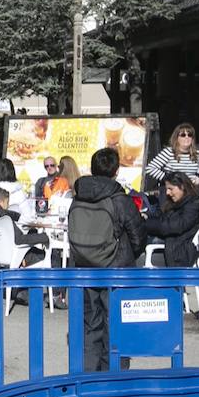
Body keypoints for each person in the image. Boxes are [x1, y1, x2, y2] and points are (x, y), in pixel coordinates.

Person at [69, 147, 146, 372]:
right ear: (116, 169)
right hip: (115, 269)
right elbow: (138, 235)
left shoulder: (78, 196)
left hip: (85, 267)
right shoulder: (119, 199)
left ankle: (88, 379)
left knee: (91, 324)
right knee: (115, 325)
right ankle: (112, 380)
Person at [143, 173, 199, 268]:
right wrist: (146, 216)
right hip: (170, 240)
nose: (167, 192)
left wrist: (145, 224)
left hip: (179, 246)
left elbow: (175, 226)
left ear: (182, 187)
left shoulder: (193, 204)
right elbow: (160, 214)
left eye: (171, 189)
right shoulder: (176, 202)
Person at [0, 187, 49, 266]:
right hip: (11, 255)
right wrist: (44, 237)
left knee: (32, 233)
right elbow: (19, 239)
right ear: (0, 202)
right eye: (7, 202)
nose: (8, 205)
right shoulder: (5, 219)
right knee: (41, 253)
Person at [145, 123, 199, 188]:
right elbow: (150, 168)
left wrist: (198, 177)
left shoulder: (196, 153)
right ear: (176, 138)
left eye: (189, 135)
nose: (186, 137)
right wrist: (168, 179)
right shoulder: (169, 152)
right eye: (183, 135)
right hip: (172, 190)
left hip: (190, 189)